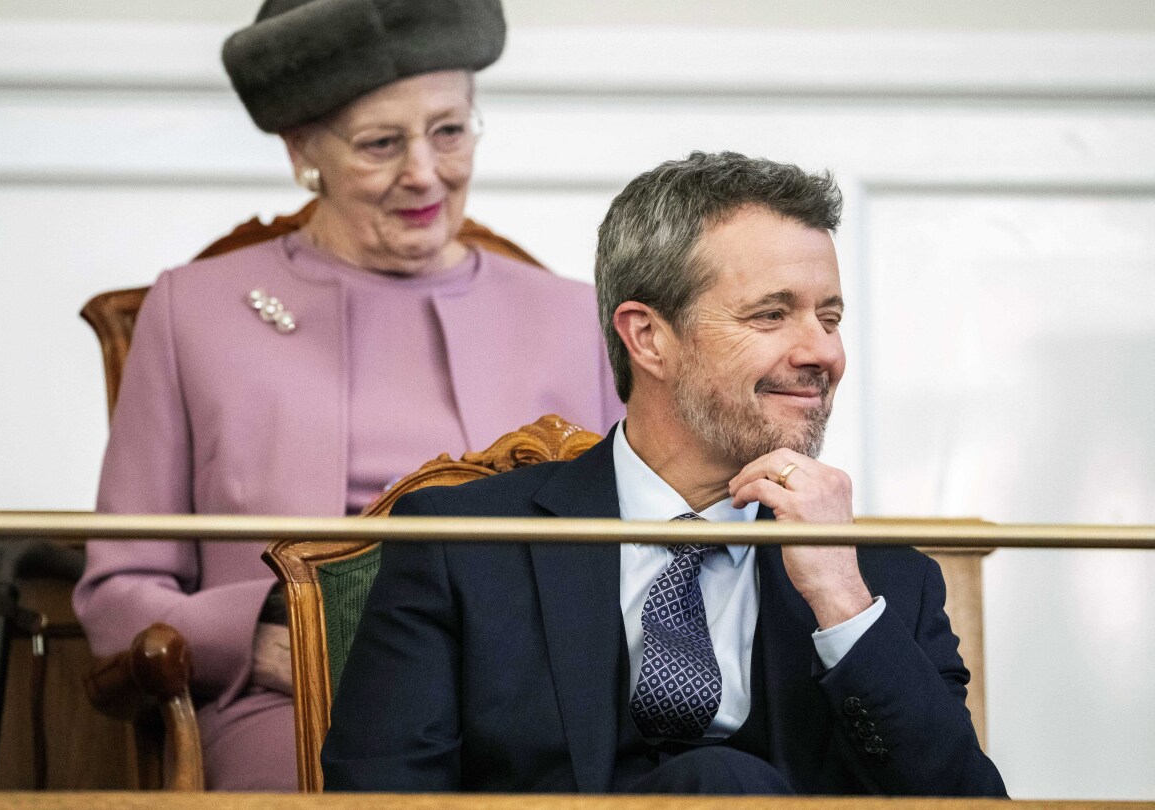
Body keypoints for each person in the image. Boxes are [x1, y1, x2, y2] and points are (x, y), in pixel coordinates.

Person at [323, 151, 1007, 796]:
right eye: (772, 314)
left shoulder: (885, 584)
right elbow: (380, 800)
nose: (823, 352)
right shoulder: (464, 545)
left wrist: (842, 604)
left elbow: (966, 808)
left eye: (830, 318)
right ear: (648, 336)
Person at [72, 0, 623, 791]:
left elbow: (642, 550)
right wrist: (250, 637)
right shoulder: (191, 311)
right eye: (380, 144)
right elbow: (117, 591)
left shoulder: (576, 316)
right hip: (295, 709)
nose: (424, 173)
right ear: (302, 150)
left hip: (536, 720)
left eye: (449, 130)